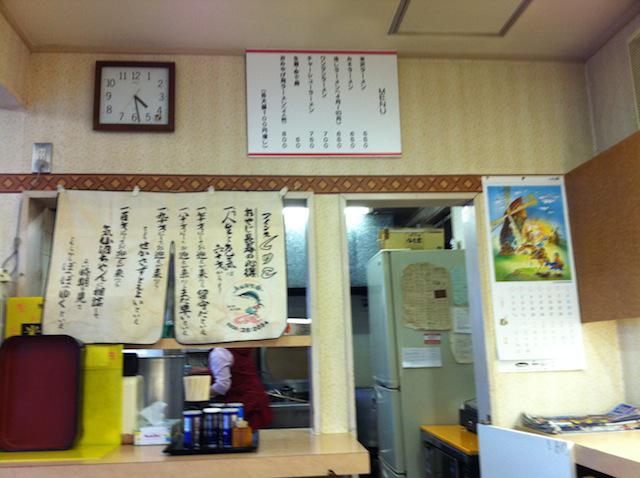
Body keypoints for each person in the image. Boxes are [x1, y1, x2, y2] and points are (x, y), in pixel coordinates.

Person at [206, 347, 272, 429]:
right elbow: (237, 369)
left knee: (241, 435)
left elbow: (222, 386)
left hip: (240, 407)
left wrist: (201, 392)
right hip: (255, 402)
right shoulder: (238, 347)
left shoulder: (219, 352)